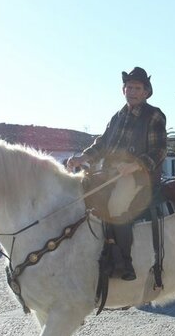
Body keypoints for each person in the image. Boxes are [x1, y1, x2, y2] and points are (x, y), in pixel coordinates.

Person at [67, 67, 167, 280]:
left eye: (137, 87)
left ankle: (123, 263)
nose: (132, 91)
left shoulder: (154, 115)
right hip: (109, 172)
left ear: (146, 92)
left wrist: (136, 165)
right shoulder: (118, 116)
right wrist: (82, 158)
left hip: (140, 176)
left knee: (116, 205)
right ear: (123, 90)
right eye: (128, 87)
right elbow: (102, 143)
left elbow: (159, 150)